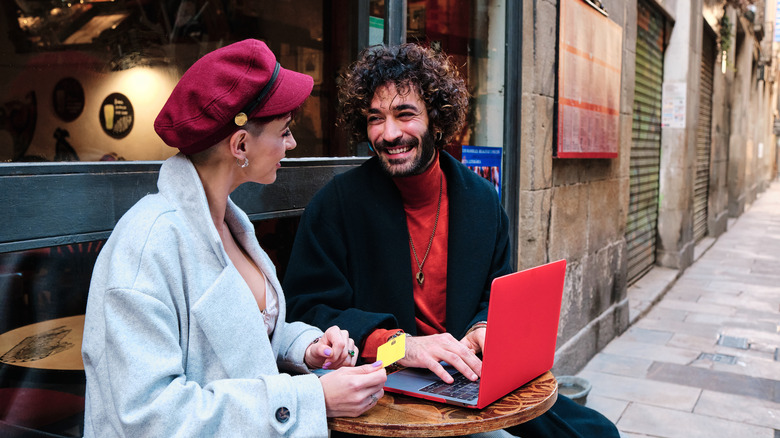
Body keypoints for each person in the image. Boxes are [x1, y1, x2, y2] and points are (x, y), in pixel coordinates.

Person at [283, 43, 620, 438]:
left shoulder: (481, 201)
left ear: (438, 121)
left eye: (405, 114)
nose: (389, 133)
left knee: (599, 433)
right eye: (375, 118)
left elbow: (493, 295)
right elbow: (307, 312)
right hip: (383, 394)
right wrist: (400, 345)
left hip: (465, 380)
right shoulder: (336, 204)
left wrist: (482, 328)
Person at [81, 39, 386, 438]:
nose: (291, 144)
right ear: (240, 144)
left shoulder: (229, 222)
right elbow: (149, 418)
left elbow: (242, 345)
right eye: (285, 131)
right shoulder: (146, 244)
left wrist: (306, 348)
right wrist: (311, 398)